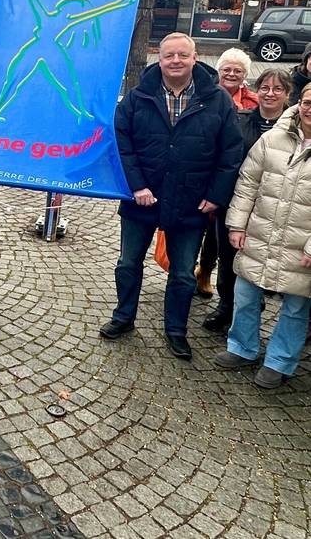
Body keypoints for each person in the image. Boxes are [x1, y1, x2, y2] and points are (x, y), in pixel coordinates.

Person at [100, 33, 242, 360]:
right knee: (127, 263)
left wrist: (216, 195)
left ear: (195, 58)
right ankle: (123, 317)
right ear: (159, 60)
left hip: (192, 200)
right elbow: (122, 143)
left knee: (181, 272)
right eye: (168, 55)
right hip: (141, 198)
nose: (175, 61)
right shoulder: (137, 97)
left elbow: (230, 153)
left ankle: (176, 330)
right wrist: (136, 185)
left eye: (182, 55)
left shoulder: (217, 99)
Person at [216, 82, 311, 388]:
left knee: (296, 307)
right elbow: (247, 184)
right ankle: (242, 347)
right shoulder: (272, 139)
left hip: (302, 244)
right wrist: (237, 225)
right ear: (300, 103)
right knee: (245, 295)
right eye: (308, 102)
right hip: (261, 233)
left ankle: (280, 361)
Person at [204, 68, 292, 334]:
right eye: (265, 87)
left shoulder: (293, 128)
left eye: (277, 89)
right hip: (234, 202)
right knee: (228, 256)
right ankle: (226, 306)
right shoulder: (239, 119)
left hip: (273, 207)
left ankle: (254, 308)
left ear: (288, 94)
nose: (270, 93)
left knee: (261, 260)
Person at [195, 47, 260, 298]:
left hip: (237, 178)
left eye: (238, 70)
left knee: (220, 232)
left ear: (245, 74)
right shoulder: (205, 96)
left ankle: (209, 274)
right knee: (200, 226)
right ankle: (191, 271)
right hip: (205, 173)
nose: (232, 74)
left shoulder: (253, 102)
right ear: (219, 70)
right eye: (227, 69)